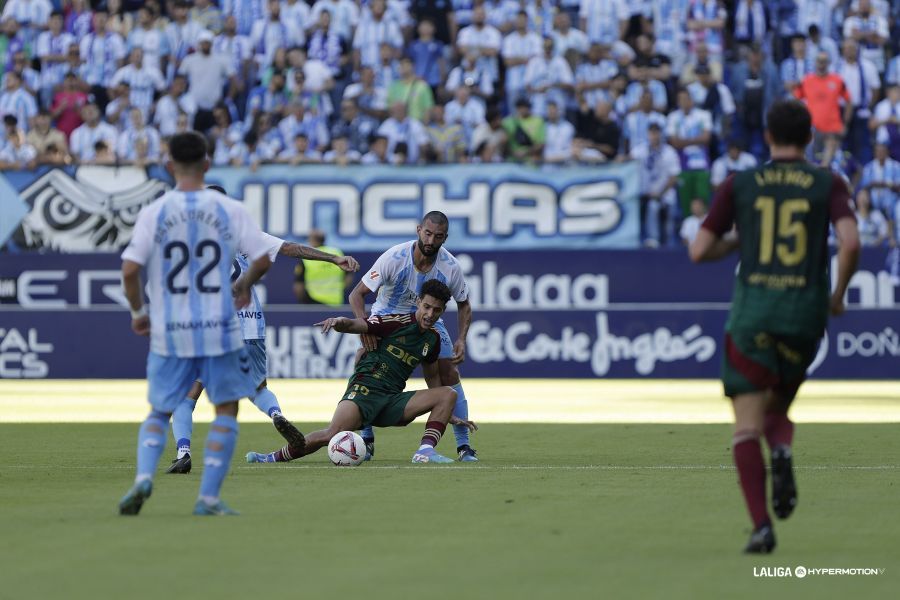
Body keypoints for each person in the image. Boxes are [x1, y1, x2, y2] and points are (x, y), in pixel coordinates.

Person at [689, 99, 860, 553]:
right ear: (809, 138)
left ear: (767, 136)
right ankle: (781, 449)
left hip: (754, 316)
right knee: (777, 406)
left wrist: (740, 239)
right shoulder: (828, 182)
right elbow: (850, 242)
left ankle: (762, 526)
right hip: (804, 316)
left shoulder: (741, 183)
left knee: (747, 425)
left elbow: (699, 250)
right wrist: (837, 296)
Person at [117, 131, 275, 517]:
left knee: (162, 407)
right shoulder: (229, 210)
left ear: (168, 165)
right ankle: (208, 498)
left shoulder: (155, 212)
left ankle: (143, 477)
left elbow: (130, 270)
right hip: (219, 326)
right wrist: (243, 285)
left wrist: (138, 314)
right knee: (225, 409)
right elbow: (262, 258)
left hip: (172, 326)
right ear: (207, 164)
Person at [164, 185, 361, 474]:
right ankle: (276, 413)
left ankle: (183, 452)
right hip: (249, 324)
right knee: (257, 388)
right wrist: (333, 258)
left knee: (188, 394)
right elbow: (291, 248)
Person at [246, 279, 476, 464]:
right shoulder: (395, 322)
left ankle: (424, 451)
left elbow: (432, 376)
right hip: (364, 393)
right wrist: (339, 322)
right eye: (426, 307)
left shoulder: (433, 339)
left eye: (436, 310)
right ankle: (271, 457)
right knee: (331, 435)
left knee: (447, 394)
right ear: (418, 302)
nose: (430, 314)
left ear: (443, 311)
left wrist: (445, 412)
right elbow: (358, 324)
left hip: (392, 401)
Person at [347, 211, 478, 462]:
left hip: (427, 318)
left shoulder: (450, 266)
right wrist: (366, 328)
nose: (430, 240)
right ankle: (366, 436)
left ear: (445, 237)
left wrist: (461, 339)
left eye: (437, 236)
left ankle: (464, 446)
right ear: (419, 230)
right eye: (427, 234)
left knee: (449, 373)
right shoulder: (394, 258)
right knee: (365, 359)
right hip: (388, 316)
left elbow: (464, 304)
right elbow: (356, 294)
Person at [293, 229, 354, 305]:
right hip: (335, 302)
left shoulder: (307, 257)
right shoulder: (337, 253)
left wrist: (302, 302)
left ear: (312, 240)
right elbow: (349, 277)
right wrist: (340, 290)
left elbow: (299, 286)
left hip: (313, 302)